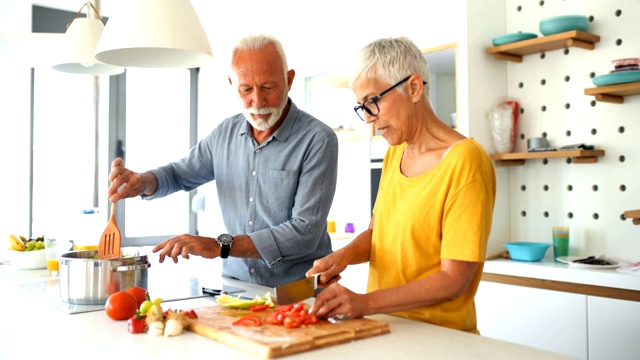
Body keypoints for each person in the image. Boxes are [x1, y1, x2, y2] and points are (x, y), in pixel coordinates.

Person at [107, 34, 339, 288]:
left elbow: (304, 232)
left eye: (268, 87)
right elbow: (179, 174)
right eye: (246, 89)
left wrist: (221, 245)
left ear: (289, 80)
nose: (258, 102)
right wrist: (143, 182)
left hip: (298, 289)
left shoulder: (318, 139)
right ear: (232, 84)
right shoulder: (224, 134)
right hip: (238, 286)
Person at [307, 37, 496, 334]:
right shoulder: (395, 152)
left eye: (373, 101)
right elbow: (376, 233)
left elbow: (454, 278)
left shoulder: (466, 161)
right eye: (362, 107)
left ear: (413, 88)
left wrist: (365, 303)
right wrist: (342, 257)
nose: (369, 118)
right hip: (385, 330)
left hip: (440, 340)